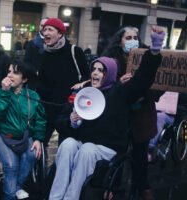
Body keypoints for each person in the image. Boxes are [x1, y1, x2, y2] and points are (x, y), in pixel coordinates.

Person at [49, 26, 164, 200]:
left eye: (100, 70)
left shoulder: (120, 92)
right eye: (93, 69)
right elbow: (61, 120)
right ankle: (55, 197)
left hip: (105, 148)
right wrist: (72, 122)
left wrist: (155, 50)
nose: (95, 73)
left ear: (109, 74)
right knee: (68, 144)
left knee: (87, 149)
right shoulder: (84, 91)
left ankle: (71, 197)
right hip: (85, 145)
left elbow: (143, 79)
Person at [101, 26, 165, 200]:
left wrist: (145, 94)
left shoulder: (146, 58)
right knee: (117, 152)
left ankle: (143, 187)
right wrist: (119, 84)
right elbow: (104, 86)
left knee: (140, 155)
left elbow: (159, 85)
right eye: (128, 37)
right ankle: (112, 186)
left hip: (142, 115)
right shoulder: (111, 62)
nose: (132, 40)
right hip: (120, 116)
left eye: (135, 37)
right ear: (120, 41)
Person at [0, 60, 46, 200]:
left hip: (25, 135)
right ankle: (9, 196)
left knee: (32, 156)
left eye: (15, 72)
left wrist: (38, 139)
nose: (10, 75)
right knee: (11, 166)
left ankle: (17, 186)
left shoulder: (33, 96)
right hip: (2, 135)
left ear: (24, 79)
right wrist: (5, 93)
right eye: (9, 71)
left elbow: (40, 119)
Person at [38, 18, 89, 145]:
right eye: (44, 30)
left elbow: (87, 76)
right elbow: (42, 81)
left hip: (68, 108)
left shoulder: (74, 51)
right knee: (40, 143)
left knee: (65, 145)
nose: (45, 33)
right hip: (48, 108)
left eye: (50, 29)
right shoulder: (44, 54)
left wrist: (81, 84)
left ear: (60, 33)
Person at [23, 17, 48, 90]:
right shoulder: (31, 44)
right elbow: (26, 62)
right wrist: (35, 71)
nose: (43, 28)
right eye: (41, 25)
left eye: (46, 26)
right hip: (35, 82)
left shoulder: (56, 44)